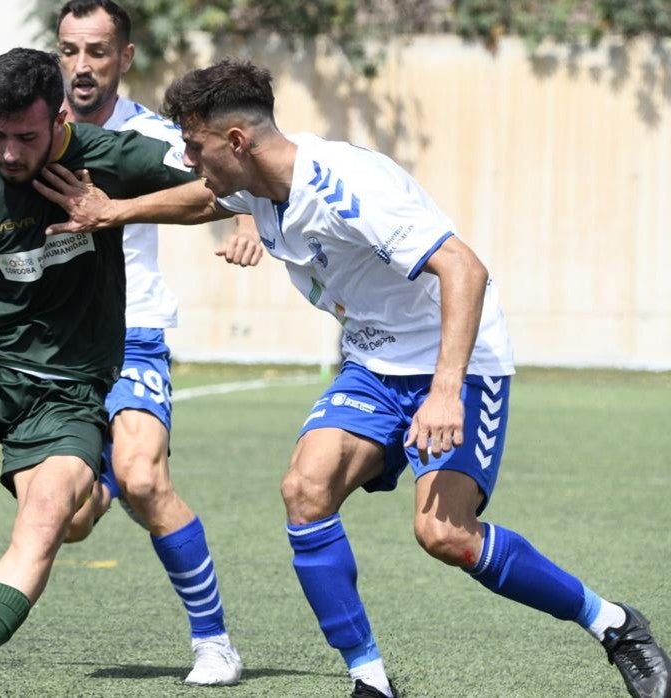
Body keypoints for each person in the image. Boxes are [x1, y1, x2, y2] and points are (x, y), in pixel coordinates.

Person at [39, 58, 671, 698]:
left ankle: (613, 624)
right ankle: (370, 681)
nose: (186, 157)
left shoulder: (349, 188)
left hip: (456, 359)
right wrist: (114, 212)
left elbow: (465, 269)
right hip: (373, 362)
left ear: (237, 141)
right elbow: (204, 198)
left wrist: (444, 392)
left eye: (194, 145)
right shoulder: (254, 182)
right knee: (305, 490)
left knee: (444, 535)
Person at [0, 1, 257, 684]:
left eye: (96, 51)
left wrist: (221, 221)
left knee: (142, 479)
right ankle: (85, 480)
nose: (82, 65)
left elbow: (227, 182)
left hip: (126, 332)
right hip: (10, 351)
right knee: (57, 514)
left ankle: (212, 641)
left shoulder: (146, 137)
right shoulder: (1, 128)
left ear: (122, 57)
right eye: (69, 50)